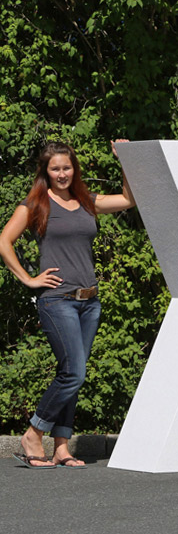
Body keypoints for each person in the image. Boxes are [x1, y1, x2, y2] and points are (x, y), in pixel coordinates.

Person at [0, 140, 135, 468]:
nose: (62, 174)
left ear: (74, 169)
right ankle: (34, 433)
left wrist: (125, 159)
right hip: (57, 300)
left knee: (71, 373)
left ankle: (62, 447)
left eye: (67, 167)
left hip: (89, 302)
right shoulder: (35, 203)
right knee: (74, 372)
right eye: (55, 169)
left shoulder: (87, 201)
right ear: (45, 172)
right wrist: (29, 279)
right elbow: (4, 241)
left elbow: (130, 200)